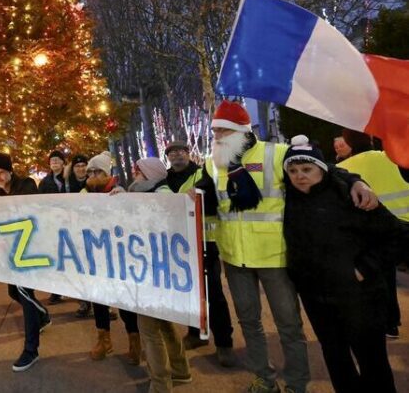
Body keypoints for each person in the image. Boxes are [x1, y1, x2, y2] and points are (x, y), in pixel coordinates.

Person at [196, 100, 377, 393]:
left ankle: (296, 383)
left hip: (274, 255)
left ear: (242, 131)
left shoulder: (276, 153)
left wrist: (357, 181)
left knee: (289, 325)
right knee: (249, 323)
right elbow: (197, 197)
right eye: (215, 130)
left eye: (223, 131)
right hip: (234, 256)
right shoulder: (211, 163)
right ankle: (263, 380)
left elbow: (325, 171)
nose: (217, 136)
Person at [283, 135, 409, 392]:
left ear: (321, 168)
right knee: (336, 359)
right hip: (317, 299)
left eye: (307, 169)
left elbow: (399, 236)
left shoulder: (349, 195)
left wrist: (364, 270)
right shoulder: (290, 199)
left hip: (360, 297)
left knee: (372, 362)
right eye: (293, 170)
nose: (300, 176)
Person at [165, 141, 236, 367]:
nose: (176, 155)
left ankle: (224, 344)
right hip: (179, 244)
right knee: (189, 293)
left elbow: (215, 197)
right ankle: (197, 334)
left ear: (188, 154)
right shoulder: (164, 179)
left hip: (206, 242)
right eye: (172, 152)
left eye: (180, 151)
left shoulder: (202, 173)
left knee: (213, 293)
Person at [128, 157, 192, 390]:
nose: (135, 173)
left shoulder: (161, 195)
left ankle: (160, 383)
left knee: (149, 332)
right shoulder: (148, 192)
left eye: (139, 170)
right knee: (164, 323)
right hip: (158, 271)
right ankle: (180, 369)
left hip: (153, 271)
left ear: (150, 174)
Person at [338, 129, 409, 339]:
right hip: (405, 225)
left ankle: (390, 323)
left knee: (382, 277)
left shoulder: (343, 169)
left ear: (349, 143)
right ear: (369, 138)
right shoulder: (392, 158)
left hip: (373, 233)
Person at [0, 152, 50, 372]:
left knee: (24, 294)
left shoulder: (27, 184)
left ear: (10, 172)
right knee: (14, 292)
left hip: (30, 250)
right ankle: (43, 315)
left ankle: (32, 350)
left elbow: (29, 207)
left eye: (2, 172)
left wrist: (0, 200)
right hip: (13, 253)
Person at [83, 151, 140, 363]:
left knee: (125, 301)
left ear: (107, 172)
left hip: (119, 257)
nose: (93, 175)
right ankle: (104, 340)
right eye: (91, 171)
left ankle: (135, 340)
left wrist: (122, 199)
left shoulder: (121, 191)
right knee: (99, 300)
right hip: (96, 256)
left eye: (98, 171)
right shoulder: (84, 194)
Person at [65, 153, 93, 318]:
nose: (81, 169)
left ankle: (105, 304)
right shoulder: (67, 185)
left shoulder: (94, 182)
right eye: (77, 166)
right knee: (78, 269)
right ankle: (84, 301)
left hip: (93, 231)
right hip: (74, 230)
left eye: (83, 165)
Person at [39, 150, 68, 304]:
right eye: (52, 160)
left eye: (57, 159)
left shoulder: (70, 178)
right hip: (53, 225)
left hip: (70, 223)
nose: (55, 162)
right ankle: (56, 291)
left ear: (63, 162)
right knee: (56, 258)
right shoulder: (45, 182)